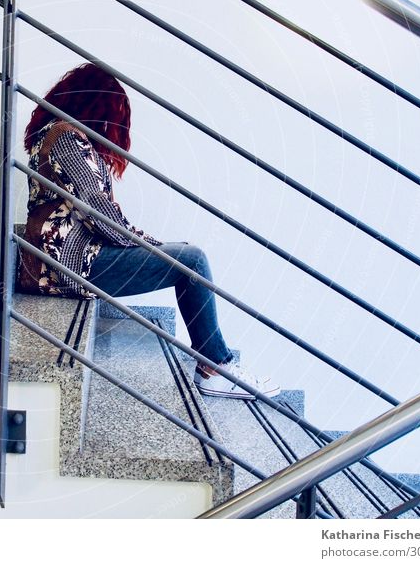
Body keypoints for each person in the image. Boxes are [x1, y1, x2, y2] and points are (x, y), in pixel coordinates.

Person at [16, 62, 280, 400]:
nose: (113, 126)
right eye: (113, 114)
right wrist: (150, 243)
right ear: (97, 106)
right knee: (192, 261)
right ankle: (215, 367)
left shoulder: (56, 135)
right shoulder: (67, 136)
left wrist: (152, 244)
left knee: (184, 256)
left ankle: (214, 364)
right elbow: (98, 211)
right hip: (67, 265)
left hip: (63, 260)